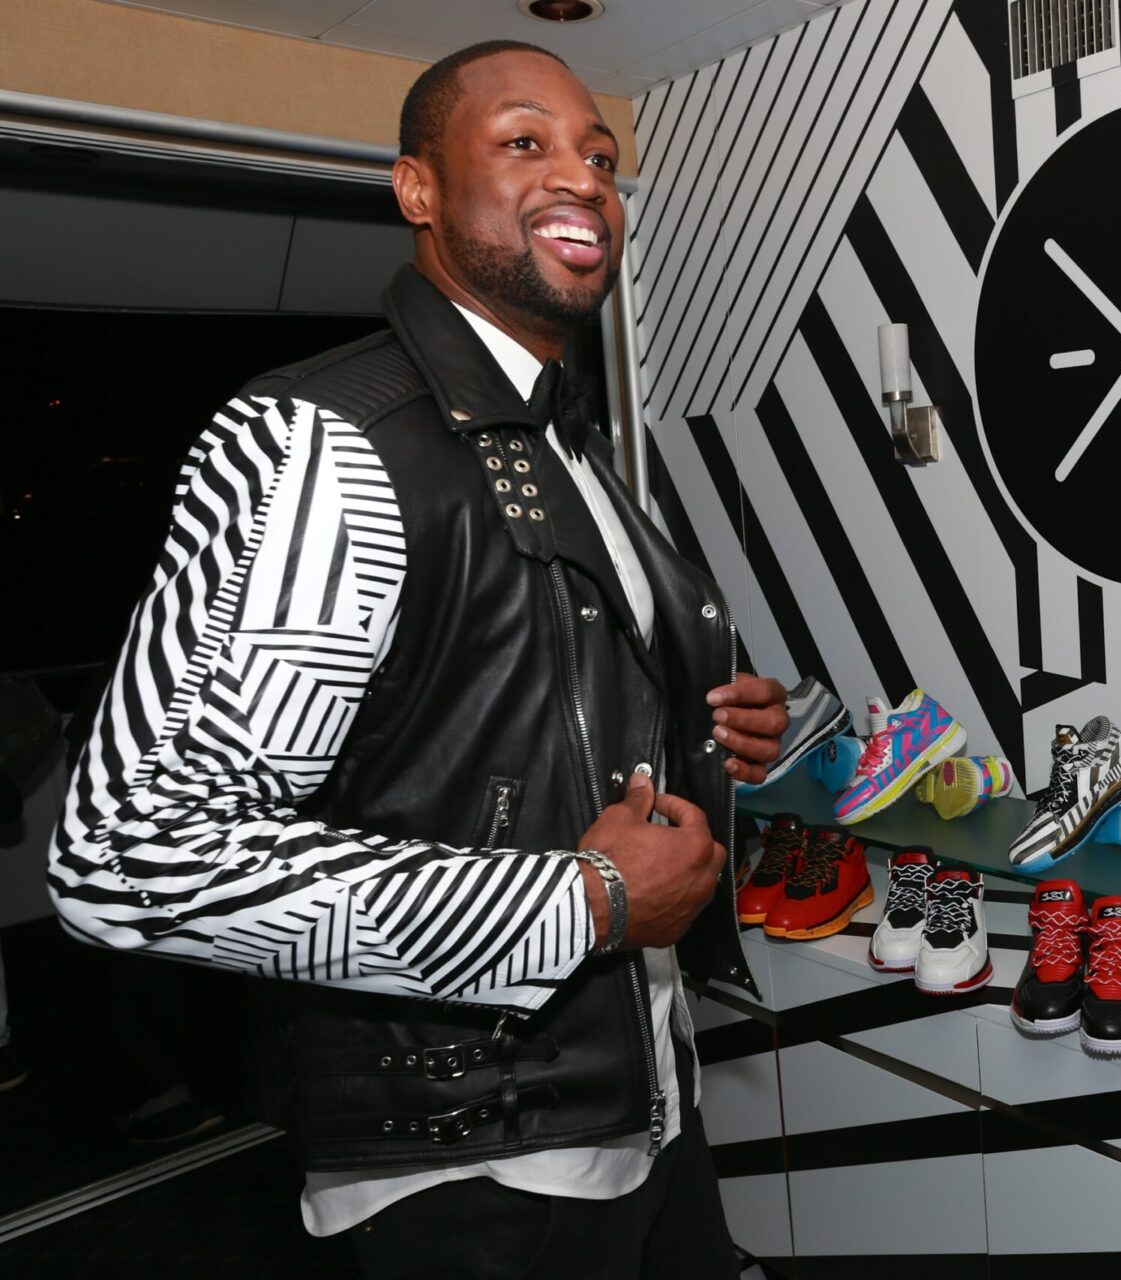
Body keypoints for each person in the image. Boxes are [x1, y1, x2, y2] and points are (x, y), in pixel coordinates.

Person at [48, 40, 786, 1277]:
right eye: (525, 142)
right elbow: (130, 853)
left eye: (600, 155)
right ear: (418, 189)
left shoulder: (565, 441)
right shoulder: (327, 441)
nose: (583, 177)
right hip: (470, 1171)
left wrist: (697, 725)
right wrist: (587, 900)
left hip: (649, 1107)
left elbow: (500, 708)